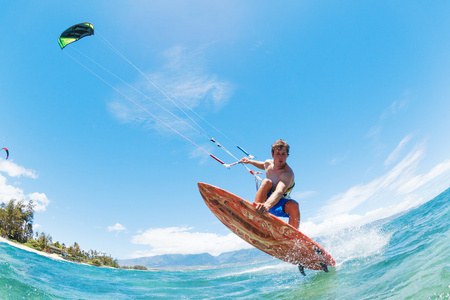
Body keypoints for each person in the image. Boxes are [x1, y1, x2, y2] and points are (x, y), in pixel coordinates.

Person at [240, 139, 300, 228]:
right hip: (262, 201)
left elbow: (279, 191)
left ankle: (292, 238)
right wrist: (249, 161)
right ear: (272, 154)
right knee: (266, 182)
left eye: (283, 154)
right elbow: (263, 165)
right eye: (278, 154)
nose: (280, 157)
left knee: (294, 205)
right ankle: (256, 214)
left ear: (287, 155)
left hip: (276, 203)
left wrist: (267, 205)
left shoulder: (287, 174)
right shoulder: (268, 163)